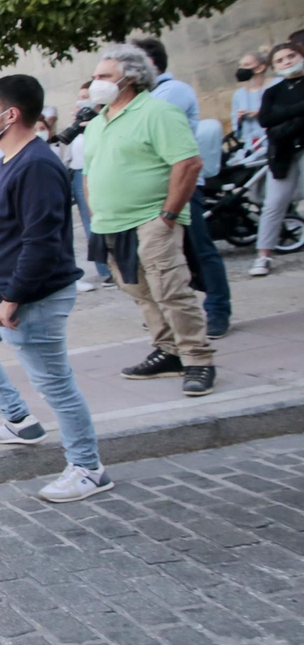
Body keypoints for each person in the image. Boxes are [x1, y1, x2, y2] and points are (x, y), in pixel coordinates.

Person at [0, 75, 110, 502]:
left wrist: (13, 298)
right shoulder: (6, 158)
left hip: (29, 300)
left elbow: (39, 242)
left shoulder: (37, 165)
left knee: (54, 383)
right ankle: (19, 420)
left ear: (11, 114)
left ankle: (88, 467)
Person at [84, 44, 215, 395]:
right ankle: (169, 350)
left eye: (104, 76)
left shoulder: (158, 112)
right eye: (96, 76)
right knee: (139, 290)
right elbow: (90, 169)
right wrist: (96, 210)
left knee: (170, 290)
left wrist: (168, 216)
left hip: (152, 219)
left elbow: (188, 163)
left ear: (131, 77)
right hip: (111, 223)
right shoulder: (98, 122)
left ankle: (198, 359)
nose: (97, 82)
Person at [133, 37, 232, 337]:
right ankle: (177, 315)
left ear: (149, 65)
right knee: (169, 255)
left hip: (181, 185)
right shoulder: (145, 97)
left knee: (200, 248)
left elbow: (142, 130)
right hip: (153, 189)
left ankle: (217, 310)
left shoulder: (171, 91)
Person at [250, 41, 304, 278]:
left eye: (291, 56)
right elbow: (265, 120)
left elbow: (275, 119)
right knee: (273, 204)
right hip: (282, 152)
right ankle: (263, 255)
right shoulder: (273, 91)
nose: (287, 62)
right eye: (280, 60)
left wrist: (282, 121)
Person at [61, 83, 109, 290]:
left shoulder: (106, 119)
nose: (82, 101)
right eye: (80, 97)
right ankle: (105, 271)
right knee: (91, 223)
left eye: (86, 96)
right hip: (80, 173)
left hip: (105, 170)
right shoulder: (78, 122)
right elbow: (68, 150)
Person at [232, 46, 275, 146]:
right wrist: (239, 118)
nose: (241, 68)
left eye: (246, 65)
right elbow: (236, 128)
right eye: (240, 65)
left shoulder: (276, 85)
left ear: (260, 67)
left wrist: (262, 113)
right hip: (252, 144)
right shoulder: (239, 95)